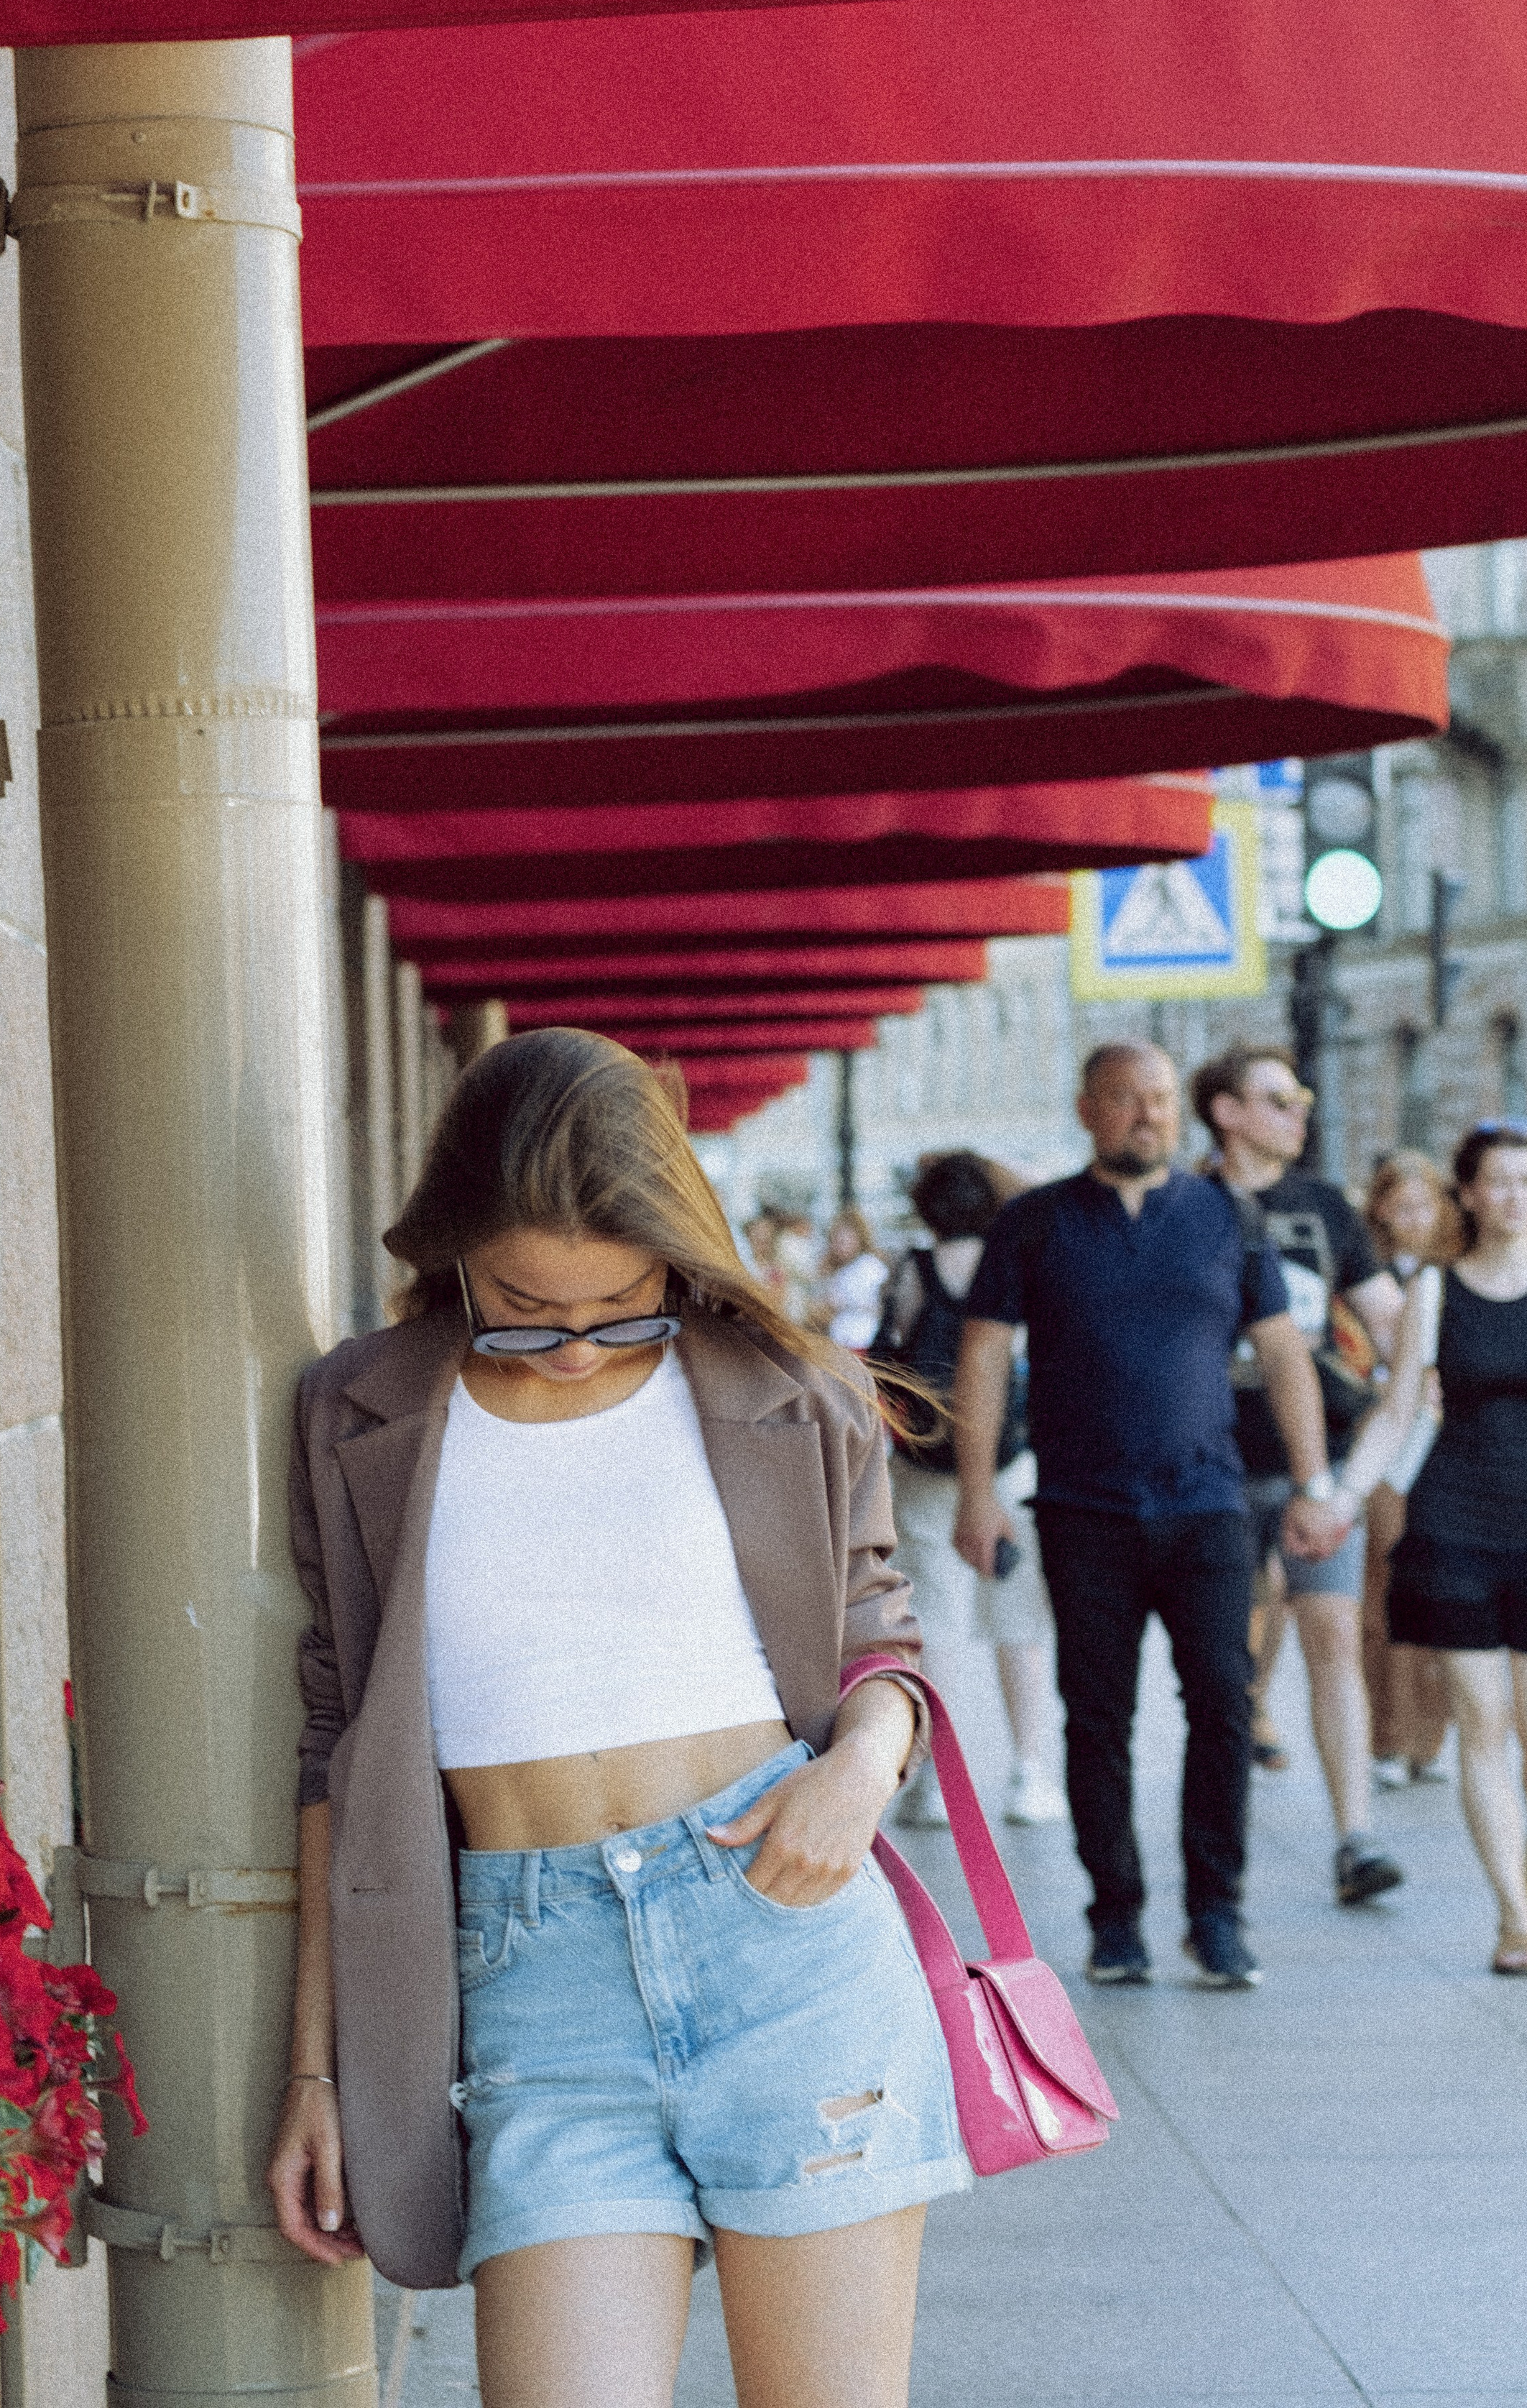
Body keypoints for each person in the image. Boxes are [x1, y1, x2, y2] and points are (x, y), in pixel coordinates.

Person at [268, 1030, 968, 2408]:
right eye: (526, 1308)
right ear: (456, 1249)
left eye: (625, 1309)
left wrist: (861, 1772)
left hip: (787, 1950)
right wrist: (316, 2068)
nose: (579, 1348)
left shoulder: (793, 1391)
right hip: (535, 1986)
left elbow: (878, 1639)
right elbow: (335, 1745)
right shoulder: (363, 1411)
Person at [951, 1039, 1337, 1992]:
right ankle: (1115, 1916)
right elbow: (986, 1356)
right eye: (1126, 1100)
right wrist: (975, 1491)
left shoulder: (1226, 1217)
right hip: (1084, 1510)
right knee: (1097, 1717)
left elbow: (1285, 1354)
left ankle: (1217, 1912)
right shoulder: (1034, 1225)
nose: (1148, 1115)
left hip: (1208, 1506)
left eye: (1161, 1100)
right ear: (1088, 1109)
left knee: (1221, 1701)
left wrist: (1313, 1481)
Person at [1342, 1122, 1527, 1977]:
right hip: (1453, 1524)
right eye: (1497, 1182)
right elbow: (1397, 1414)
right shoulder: (1435, 1293)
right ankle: (1512, 1908)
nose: (1514, 1197)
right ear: (1467, 1194)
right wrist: (1341, 1496)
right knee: (1483, 1725)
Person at [1191, 1044, 1407, 1909]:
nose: (1299, 1114)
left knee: (1331, 1639)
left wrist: (1395, 1405)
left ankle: (1356, 1836)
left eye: (1302, 1099)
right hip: (1210, 1470)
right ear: (1226, 1112)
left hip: (1313, 1470)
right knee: (1218, 1663)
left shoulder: (1323, 1208)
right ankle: (1220, 1848)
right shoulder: (1187, 1205)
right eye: (1278, 1100)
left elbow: (1390, 1321)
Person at [874, 1152, 1067, 1832]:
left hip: (925, 1468)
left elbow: (890, 1350)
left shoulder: (912, 1269)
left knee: (940, 1628)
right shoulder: (1011, 1260)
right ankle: (1029, 1773)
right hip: (1011, 1462)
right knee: (1020, 1625)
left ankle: (934, 1784)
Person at [1359, 1152, 1456, 1790]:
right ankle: (1387, 1736)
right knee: (1387, 1592)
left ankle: (1431, 1737)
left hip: (1446, 1447)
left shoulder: (1458, 1277)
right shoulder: (1364, 1278)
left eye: (1425, 1205)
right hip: (1386, 1448)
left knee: (1447, 1595)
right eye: (1402, 1205)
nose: (1414, 1217)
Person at [811, 1209, 890, 1352]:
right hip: (841, 1344)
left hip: (861, 1343)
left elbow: (883, 1306)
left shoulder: (869, 1265)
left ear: (860, 1238)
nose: (839, 1245)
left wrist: (846, 1304)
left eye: (845, 1240)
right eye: (836, 1240)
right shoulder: (840, 1269)